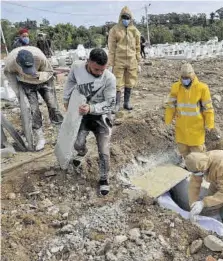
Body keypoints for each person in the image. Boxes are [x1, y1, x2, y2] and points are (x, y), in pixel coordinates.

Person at [63, 48, 116, 196]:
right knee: (77, 143)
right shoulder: (77, 67)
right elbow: (70, 81)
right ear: (88, 62)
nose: (99, 73)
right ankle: (82, 151)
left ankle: (104, 179)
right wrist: (66, 99)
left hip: (101, 117)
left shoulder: (109, 78)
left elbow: (111, 103)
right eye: (96, 69)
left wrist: (92, 108)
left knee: (104, 151)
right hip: (83, 114)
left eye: (102, 69)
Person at [4, 47, 63, 151]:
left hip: (45, 80)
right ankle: (40, 138)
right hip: (26, 83)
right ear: (18, 62)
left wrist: (38, 75)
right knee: (33, 109)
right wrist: (17, 91)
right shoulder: (11, 62)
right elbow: (9, 74)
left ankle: (60, 133)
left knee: (53, 106)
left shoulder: (40, 57)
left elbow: (50, 71)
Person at [165, 63, 215, 167]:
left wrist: (209, 124)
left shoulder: (202, 88)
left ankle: (201, 170)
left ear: (192, 76)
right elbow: (170, 105)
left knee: (198, 153)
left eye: (187, 78)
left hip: (196, 127)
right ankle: (188, 167)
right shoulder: (176, 87)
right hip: (181, 126)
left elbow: (208, 107)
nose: (185, 80)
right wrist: (168, 120)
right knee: (183, 149)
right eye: (183, 78)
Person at [108, 6, 141, 111]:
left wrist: (138, 61)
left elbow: (137, 47)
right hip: (119, 60)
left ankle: (126, 103)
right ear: (120, 17)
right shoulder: (115, 30)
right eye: (124, 17)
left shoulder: (135, 31)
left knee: (130, 81)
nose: (126, 20)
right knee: (117, 82)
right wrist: (111, 63)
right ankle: (117, 104)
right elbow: (111, 48)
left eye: (127, 17)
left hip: (132, 60)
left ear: (131, 18)